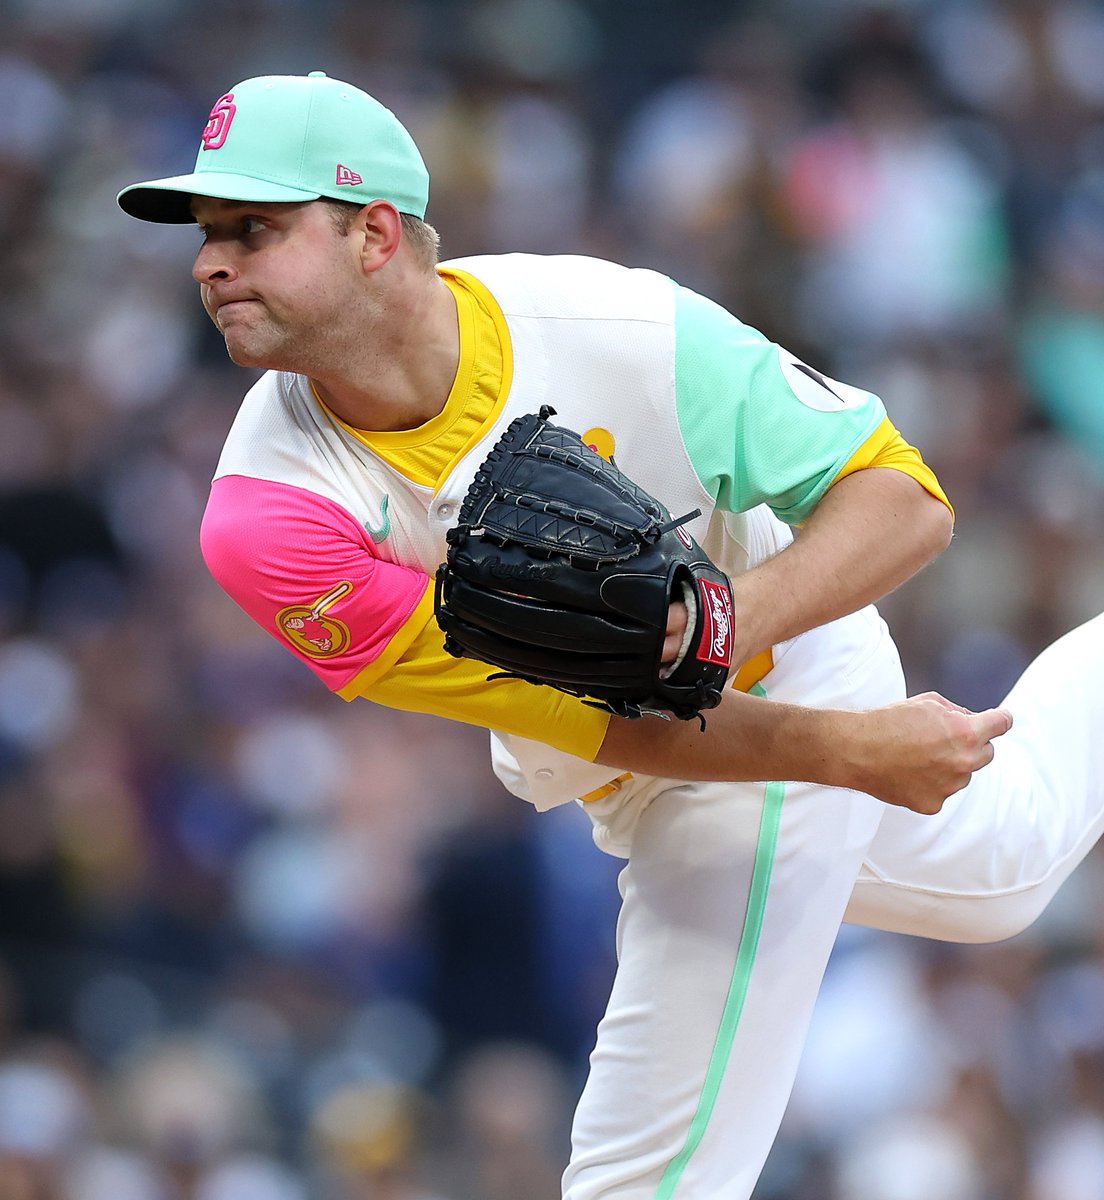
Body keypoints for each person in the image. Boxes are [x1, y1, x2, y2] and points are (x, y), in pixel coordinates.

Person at [117, 72, 1104, 1200]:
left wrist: (735, 641)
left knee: (650, 1176)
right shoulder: (271, 515)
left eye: (255, 228)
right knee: (1008, 865)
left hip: (798, 668)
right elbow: (589, 714)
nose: (209, 262)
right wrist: (851, 754)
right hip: (621, 752)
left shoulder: (613, 326)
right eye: (205, 235)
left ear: (374, 234)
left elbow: (905, 498)